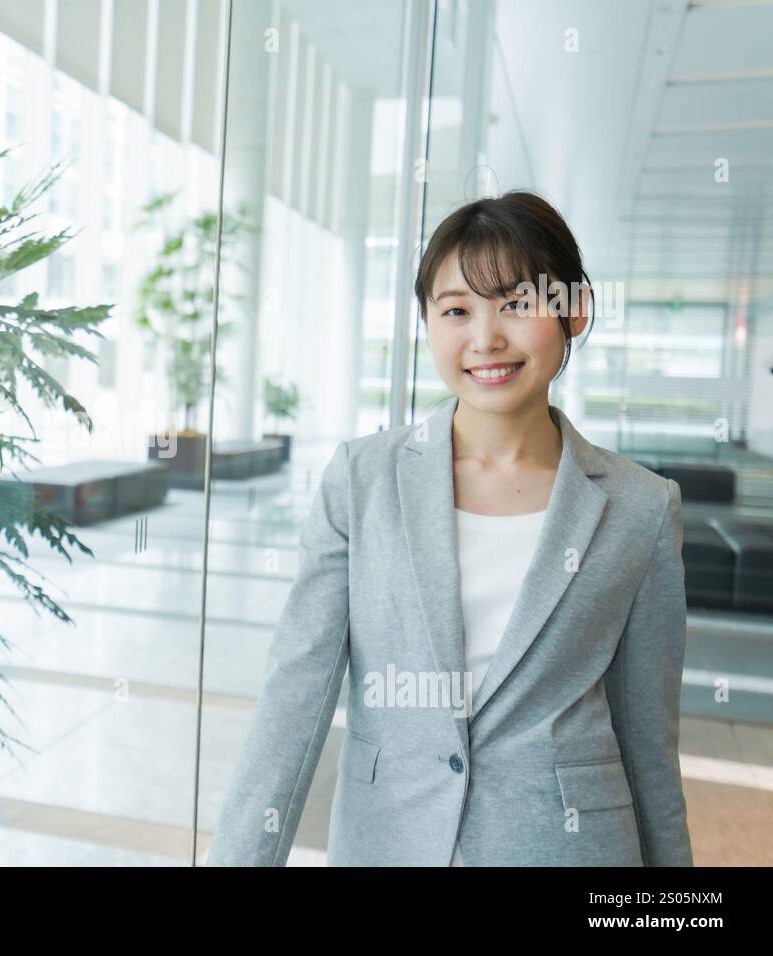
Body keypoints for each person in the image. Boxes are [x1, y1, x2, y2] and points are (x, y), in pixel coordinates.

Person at [205, 190, 694, 866]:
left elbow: (649, 743)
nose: (486, 337)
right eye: (457, 310)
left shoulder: (641, 508)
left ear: (574, 310)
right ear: (429, 323)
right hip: (389, 842)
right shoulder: (361, 480)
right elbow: (295, 698)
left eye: (518, 304)